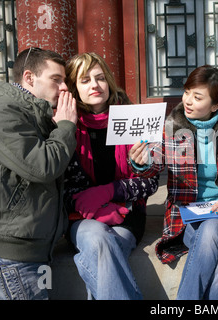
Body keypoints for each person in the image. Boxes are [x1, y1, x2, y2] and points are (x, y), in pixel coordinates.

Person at [128, 65, 218, 299]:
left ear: (216, 105)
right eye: (186, 92)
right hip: (187, 213)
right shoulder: (173, 126)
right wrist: (143, 161)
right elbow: (156, 159)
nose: (188, 101)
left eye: (197, 97)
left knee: (212, 229)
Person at [0, 47, 78, 300]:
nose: (64, 88)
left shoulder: (32, 114)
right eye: (56, 79)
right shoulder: (2, 111)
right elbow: (43, 166)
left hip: (32, 255)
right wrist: (66, 126)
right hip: (8, 259)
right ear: (29, 78)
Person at [63, 52, 159, 300]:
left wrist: (114, 188)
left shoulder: (132, 119)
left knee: (102, 250)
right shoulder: (66, 126)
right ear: (74, 87)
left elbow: (151, 181)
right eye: (85, 80)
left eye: (100, 78)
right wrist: (96, 204)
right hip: (81, 218)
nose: (95, 85)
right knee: (98, 241)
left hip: (127, 216)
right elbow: (63, 187)